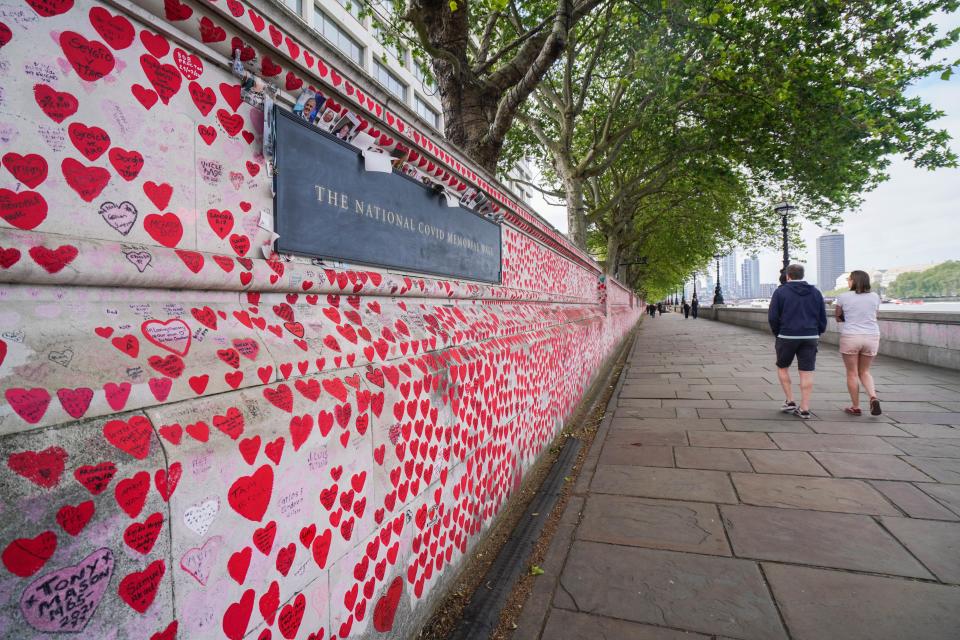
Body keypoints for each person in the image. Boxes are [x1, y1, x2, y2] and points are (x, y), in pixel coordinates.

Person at [768, 263, 827, 418]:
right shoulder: (815, 292)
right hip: (810, 336)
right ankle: (805, 408)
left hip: (787, 335)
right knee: (806, 372)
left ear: (788, 276)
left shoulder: (780, 292)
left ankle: (790, 400)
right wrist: (817, 332)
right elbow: (822, 316)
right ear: (802, 275)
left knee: (783, 367)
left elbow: (773, 317)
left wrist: (778, 333)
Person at [835, 270, 882, 415]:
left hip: (851, 336)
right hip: (872, 335)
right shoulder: (875, 296)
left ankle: (855, 407)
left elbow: (838, 317)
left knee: (852, 373)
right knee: (865, 371)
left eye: (849, 279)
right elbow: (875, 314)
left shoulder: (843, 296)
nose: (848, 282)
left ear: (854, 281)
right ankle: (873, 397)